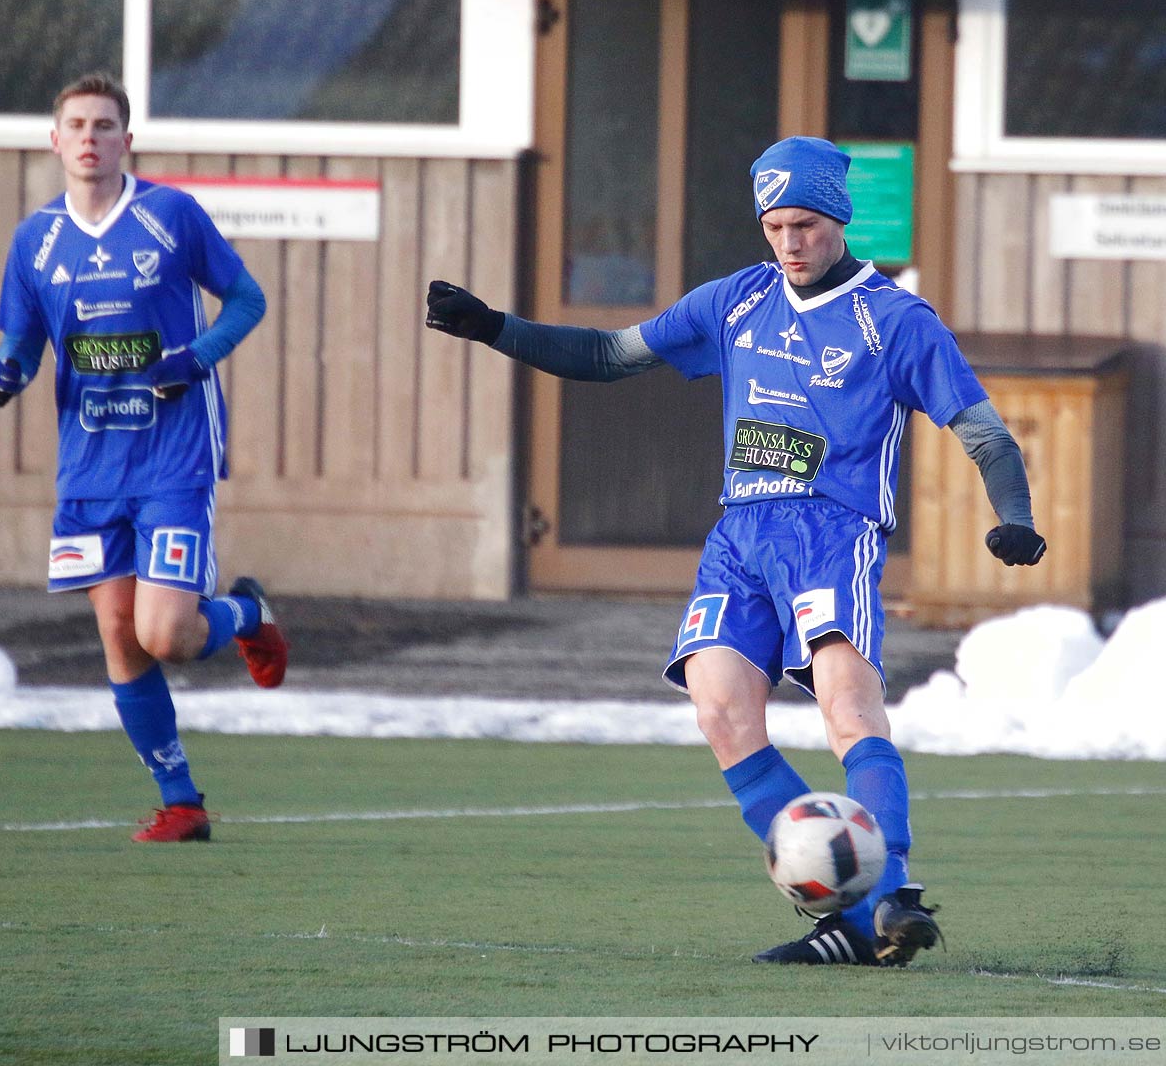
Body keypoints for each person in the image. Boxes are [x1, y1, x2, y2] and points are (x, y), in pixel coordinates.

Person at [427, 136, 1046, 966]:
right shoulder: (736, 301)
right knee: (720, 710)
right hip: (739, 537)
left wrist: (1015, 515)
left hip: (833, 536)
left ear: (840, 220)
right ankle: (849, 907)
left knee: (847, 707)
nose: (789, 243)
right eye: (775, 226)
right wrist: (496, 329)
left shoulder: (893, 320)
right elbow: (612, 355)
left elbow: (987, 434)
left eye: (806, 225)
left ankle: (888, 895)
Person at [0, 72, 290, 843]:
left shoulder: (168, 215)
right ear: (55, 142)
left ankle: (247, 610)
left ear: (126, 140)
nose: (89, 137)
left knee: (167, 635)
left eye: (104, 125)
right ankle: (182, 800)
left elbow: (247, 298)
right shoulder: (35, 240)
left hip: (174, 455)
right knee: (119, 633)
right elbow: (24, 337)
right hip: (89, 465)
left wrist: (195, 358)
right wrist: (8, 371)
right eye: (76, 125)